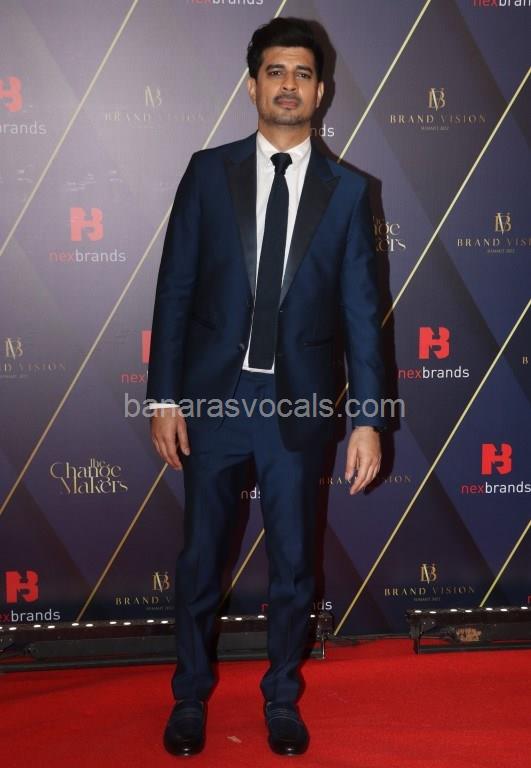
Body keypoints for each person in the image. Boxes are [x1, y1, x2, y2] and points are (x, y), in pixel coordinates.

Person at [147, 17, 386, 758]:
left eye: (302, 74)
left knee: (294, 564)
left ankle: (281, 696)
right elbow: (174, 290)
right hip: (213, 401)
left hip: (301, 404)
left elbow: (362, 314)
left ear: (321, 91)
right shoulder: (207, 172)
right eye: (275, 71)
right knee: (200, 560)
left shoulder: (350, 192)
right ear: (252, 85)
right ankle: (189, 697)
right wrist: (163, 398)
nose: (288, 85)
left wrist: (369, 419)